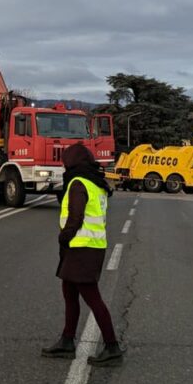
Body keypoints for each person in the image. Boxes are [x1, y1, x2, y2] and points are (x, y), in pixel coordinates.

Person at [41, 143, 124, 366]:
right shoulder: (95, 183)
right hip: (90, 246)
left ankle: (112, 347)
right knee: (69, 292)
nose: (63, 165)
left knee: (92, 298)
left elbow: (75, 217)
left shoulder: (78, 184)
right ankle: (67, 341)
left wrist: (63, 237)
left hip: (81, 248)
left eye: (65, 161)